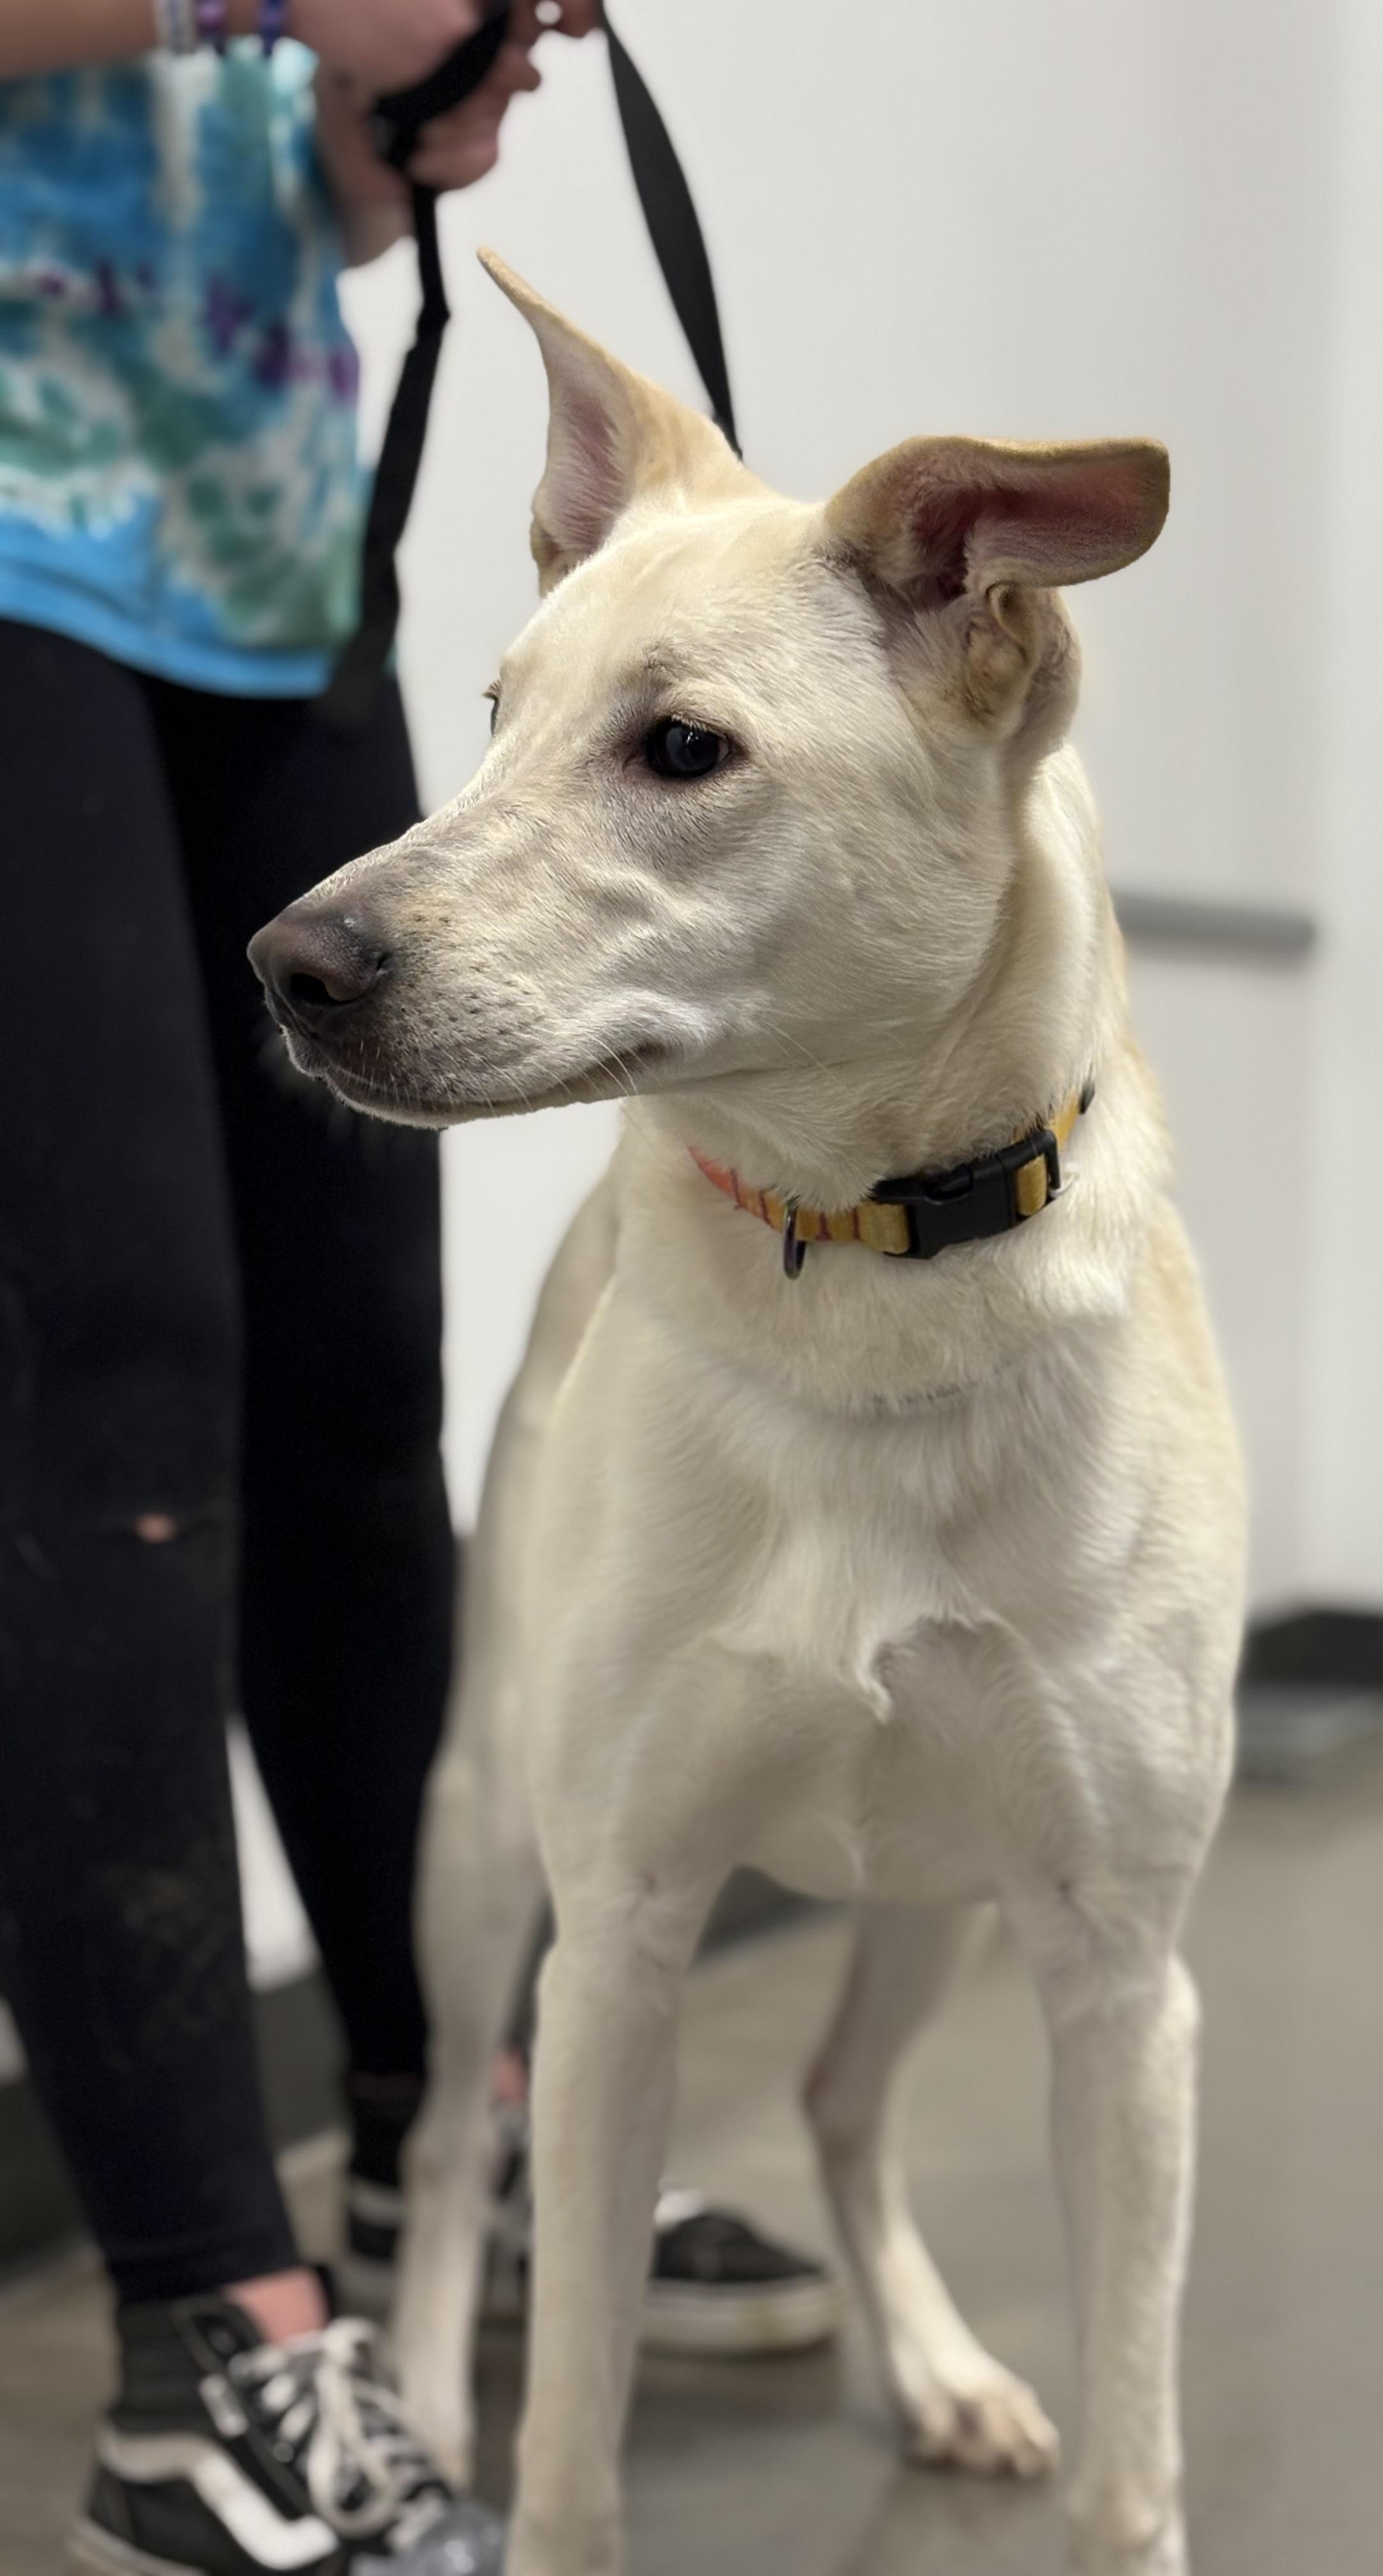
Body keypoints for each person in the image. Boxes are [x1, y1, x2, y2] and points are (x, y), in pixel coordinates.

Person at [0, 10, 830, 2573]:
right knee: (116, 1398)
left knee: (367, 1389)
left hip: (247, 537)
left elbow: (263, 182)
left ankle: (436, 2116)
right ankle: (204, 2349)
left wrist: (393, 111)